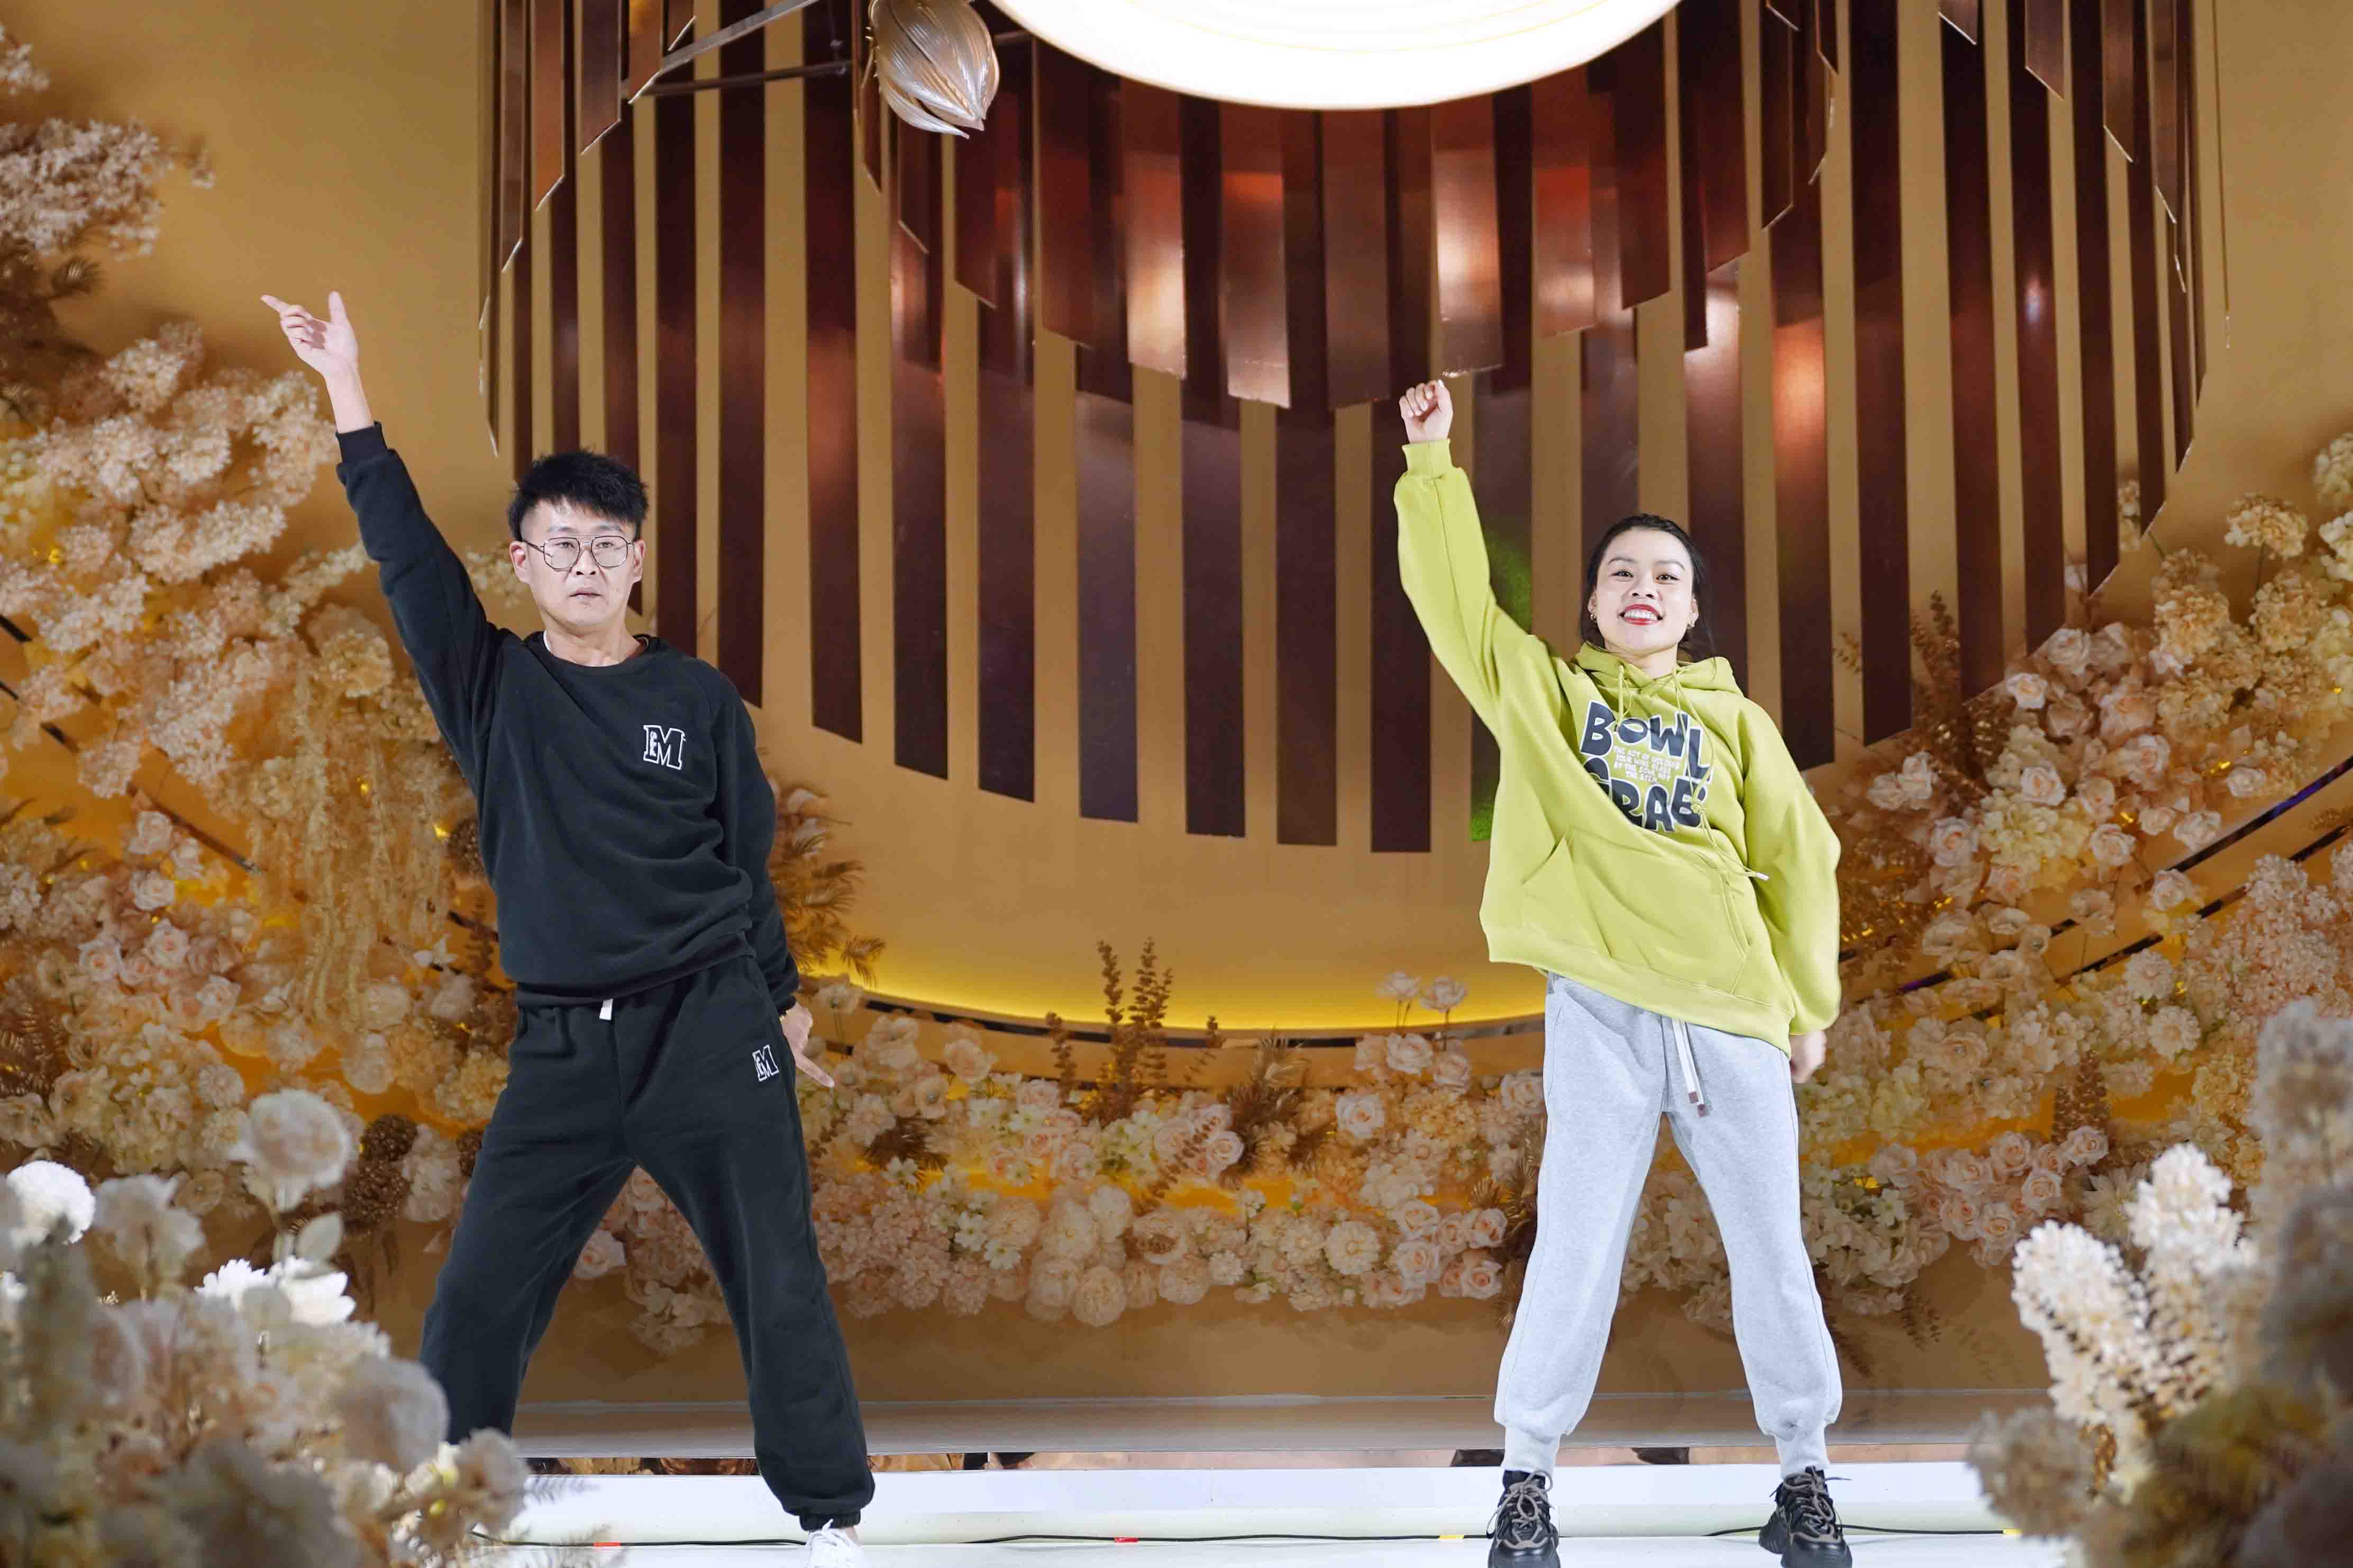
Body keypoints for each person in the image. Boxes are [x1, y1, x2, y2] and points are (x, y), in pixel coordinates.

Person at [264, 291, 875, 1567]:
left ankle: (830, 1514)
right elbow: (406, 558)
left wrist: (782, 999)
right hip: (561, 1048)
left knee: (778, 1275)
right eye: (560, 544)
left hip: (710, 1027)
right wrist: (347, 388)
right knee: (481, 1293)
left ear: (637, 560)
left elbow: (745, 861)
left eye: (606, 543)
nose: (585, 563)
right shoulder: (493, 686)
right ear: (523, 564)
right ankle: (441, 1508)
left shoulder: (698, 700)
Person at [1393, 380, 1851, 1568]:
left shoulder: (1736, 723)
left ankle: (1805, 1481)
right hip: (1598, 1009)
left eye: (1665, 576)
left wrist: (1805, 1005)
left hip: (1732, 1013)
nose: (1643, 587)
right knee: (1576, 1244)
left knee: (1772, 1250)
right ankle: (1525, 1485)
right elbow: (1455, 607)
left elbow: (1801, 856)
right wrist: (1432, 463)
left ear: (1691, 610)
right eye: (1620, 574)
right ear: (1593, 605)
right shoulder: (1546, 695)